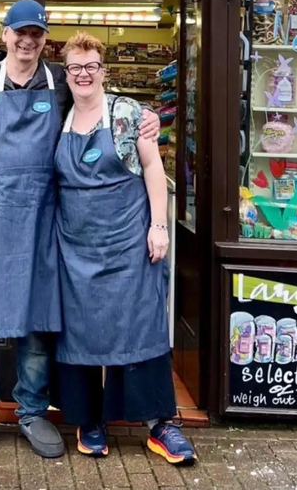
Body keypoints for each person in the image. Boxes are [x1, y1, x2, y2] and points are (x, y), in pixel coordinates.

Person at [0, 0, 159, 461]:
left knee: (38, 325)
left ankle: (31, 410)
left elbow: (96, 97)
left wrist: (145, 118)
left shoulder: (59, 82)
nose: (27, 41)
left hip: (44, 223)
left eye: (36, 35)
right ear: (4, 35)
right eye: (19, 33)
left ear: (45, 40)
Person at [53, 31, 197, 466]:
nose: (83, 74)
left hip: (128, 242)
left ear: (103, 70)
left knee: (139, 328)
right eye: (75, 67)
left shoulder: (128, 112)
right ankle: (88, 420)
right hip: (74, 248)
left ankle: (159, 424)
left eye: (91, 66)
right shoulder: (56, 115)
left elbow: (153, 168)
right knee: (78, 334)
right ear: (66, 73)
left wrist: (158, 226)